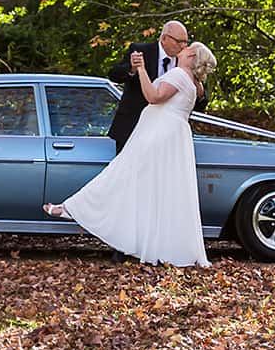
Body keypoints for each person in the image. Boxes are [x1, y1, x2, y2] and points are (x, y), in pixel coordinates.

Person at [44, 41, 217, 267]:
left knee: (121, 175)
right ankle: (156, 245)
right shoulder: (195, 82)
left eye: (186, 45)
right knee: (162, 192)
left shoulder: (179, 74)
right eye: (180, 41)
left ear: (191, 53)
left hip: (157, 134)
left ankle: (74, 208)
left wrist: (143, 69)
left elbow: (154, 97)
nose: (182, 47)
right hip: (172, 137)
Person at [106, 19, 206, 152]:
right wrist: (133, 68)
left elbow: (200, 103)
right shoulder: (141, 51)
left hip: (167, 134)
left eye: (185, 42)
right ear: (164, 38)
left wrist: (199, 91)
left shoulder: (187, 61)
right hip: (133, 126)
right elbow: (114, 75)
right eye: (179, 41)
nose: (183, 46)